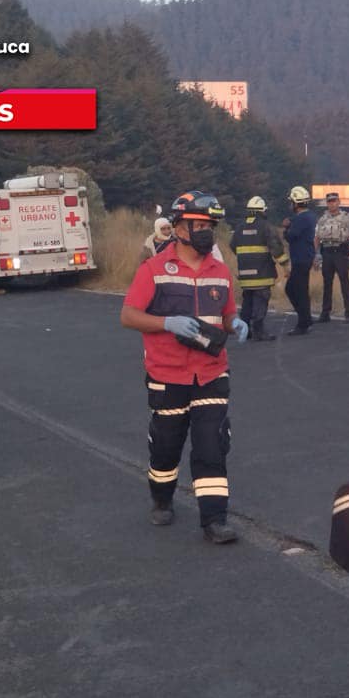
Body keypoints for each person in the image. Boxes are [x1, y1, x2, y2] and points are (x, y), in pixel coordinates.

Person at [119, 191, 247, 544]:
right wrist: (167, 323)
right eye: (200, 225)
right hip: (167, 375)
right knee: (165, 447)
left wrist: (235, 323)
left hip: (211, 372)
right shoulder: (153, 270)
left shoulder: (220, 272)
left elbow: (226, 313)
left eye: (211, 226)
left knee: (212, 446)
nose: (207, 232)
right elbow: (128, 315)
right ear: (178, 227)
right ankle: (161, 497)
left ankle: (214, 520)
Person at [229, 195, 285, 341]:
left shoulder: (239, 228)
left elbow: (233, 246)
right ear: (261, 211)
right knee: (260, 302)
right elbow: (276, 248)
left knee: (247, 303)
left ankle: (245, 330)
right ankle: (259, 332)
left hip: (245, 276)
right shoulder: (266, 227)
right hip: (262, 273)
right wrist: (285, 265)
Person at [315, 191, 349, 323]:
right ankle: (325, 312)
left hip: (341, 251)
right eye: (329, 201)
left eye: (334, 201)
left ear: (339, 202)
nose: (332, 204)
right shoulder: (322, 219)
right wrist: (315, 255)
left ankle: (348, 312)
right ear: (327, 203)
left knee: (344, 281)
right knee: (327, 283)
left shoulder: (346, 218)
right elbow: (316, 238)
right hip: (327, 251)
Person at [282, 186, 317, 336]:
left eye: (291, 202)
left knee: (295, 290)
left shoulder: (300, 218)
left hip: (301, 259)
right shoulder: (310, 216)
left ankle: (303, 322)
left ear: (296, 203)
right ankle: (305, 319)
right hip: (304, 257)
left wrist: (286, 227)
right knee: (298, 290)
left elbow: (291, 236)